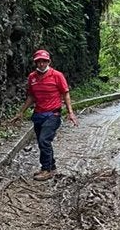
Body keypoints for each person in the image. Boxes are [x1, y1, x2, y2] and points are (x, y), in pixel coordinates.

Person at [12, 49, 77, 179]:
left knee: (44, 140)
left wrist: (71, 112)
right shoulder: (32, 77)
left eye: (44, 61)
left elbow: (65, 93)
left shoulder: (57, 75)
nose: (41, 64)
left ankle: (46, 169)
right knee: (43, 142)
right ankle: (51, 166)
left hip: (53, 114)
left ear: (48, 61)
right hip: (38, 114)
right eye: (39, 61)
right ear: (35, 63)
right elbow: (31, 97)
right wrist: (21, 112)